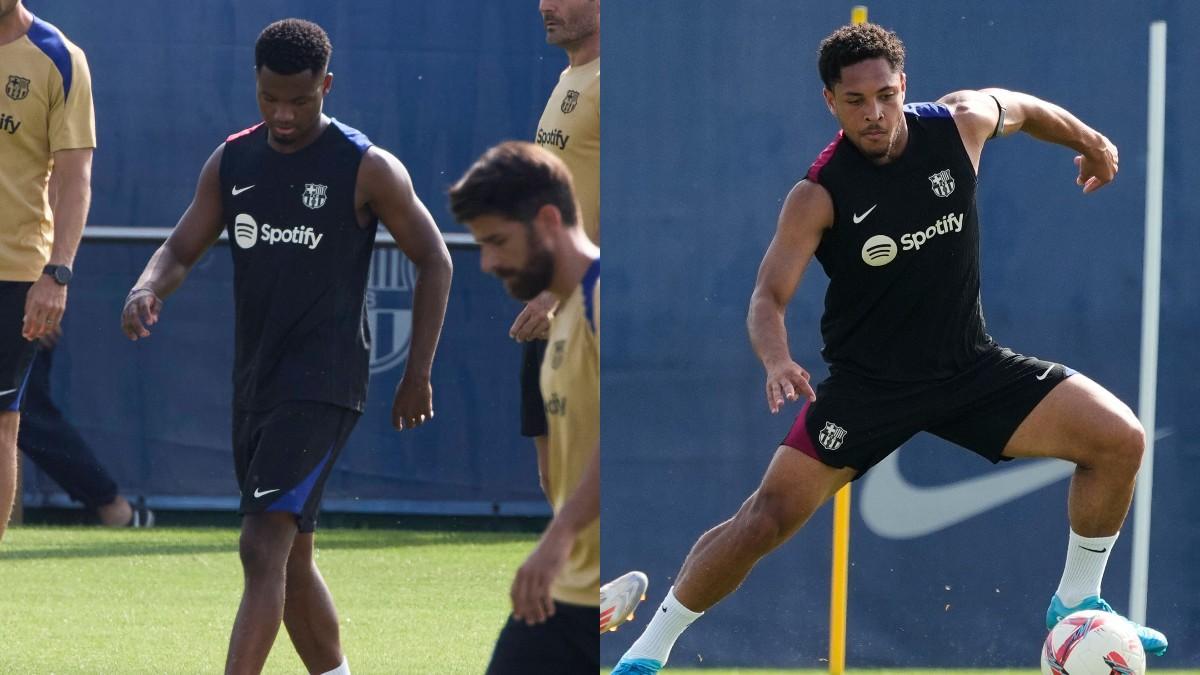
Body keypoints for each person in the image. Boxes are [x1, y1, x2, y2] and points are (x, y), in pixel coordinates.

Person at [612, 23, 1166, 673]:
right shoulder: (818, 194)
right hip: (869, 388)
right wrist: (776, 358)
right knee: (765, 517)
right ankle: (647, 653)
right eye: (855, 101)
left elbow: (1024, 105)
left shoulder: (959, 124)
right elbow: (767, 296)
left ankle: (1076, 602)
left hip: (969, 366)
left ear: (903, 85)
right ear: (830, 101)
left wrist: (1090, 140)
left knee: (1120, 439)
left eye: (884, 94)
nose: (874, 113)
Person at [120, 19, 452, 675]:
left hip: (325, 384)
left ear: (326, 86)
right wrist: (146, 285)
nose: (284, 114)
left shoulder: (366, 167)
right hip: (257, 384)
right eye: (271, 97)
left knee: (260, 543)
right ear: (256, 84)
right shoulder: (235, 160)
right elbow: (181, 248)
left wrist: (418, 372)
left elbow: (435, 259)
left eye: (300, 100)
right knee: (292, 557)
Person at [450, 141, 598, 673]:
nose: (488, 262)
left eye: (498, 242)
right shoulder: (560, 321)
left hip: (577, 600)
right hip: (565, 597)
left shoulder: (605, 302)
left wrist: (558, 537)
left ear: (548, 220)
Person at [0, 0, 94, 543]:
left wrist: (57, 274)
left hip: (14, 271)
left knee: (3, 422)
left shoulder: (58, 57)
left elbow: (75, 176)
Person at [512, 0, 600, 515]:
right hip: (551, 302)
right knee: (556, 479)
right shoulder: (572, 77)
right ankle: (586, 596)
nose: (546, 5)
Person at [20, 329, 153, 527]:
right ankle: (108, 501)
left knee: (26, 416)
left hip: (15, 320)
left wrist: (41, 309)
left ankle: (109, 503)